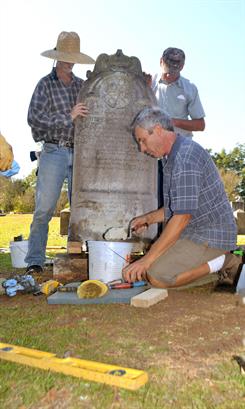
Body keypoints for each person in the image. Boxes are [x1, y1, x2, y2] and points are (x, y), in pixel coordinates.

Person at [122, 107, 243, 289]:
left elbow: (182, 217)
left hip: (211, 235)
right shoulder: (171, 157)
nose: (142, 148)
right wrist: (148, 219)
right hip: (194, 233)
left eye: (143, 140)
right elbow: (177, 208)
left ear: (158, 130)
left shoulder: (186, 158)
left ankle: (226, 261)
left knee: (156, 276)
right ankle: (213, 269)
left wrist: (146, 261)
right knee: (152, 261)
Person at [25, 31, 95, 274]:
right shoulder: (44, 85)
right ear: (56, 57)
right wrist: (68, 117)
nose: (68, 61)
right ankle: (34, 260)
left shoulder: (82, 87)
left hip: (79, 153)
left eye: (72, 56)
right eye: (64, 56)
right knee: (44, 208)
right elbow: (34, 119)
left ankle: (76, 255)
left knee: (80, 207)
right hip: (53, 151)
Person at [152, 47, 206, 218]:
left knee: (177, 198)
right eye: (168, 69)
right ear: (161, 62)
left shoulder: (190, 89)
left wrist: (172, 122)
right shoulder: (148, 82)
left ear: (182, 66)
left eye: (175, 69)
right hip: (152, 151)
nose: (170, 74)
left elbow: (200, 124)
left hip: (180, 151)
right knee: (155, 196)